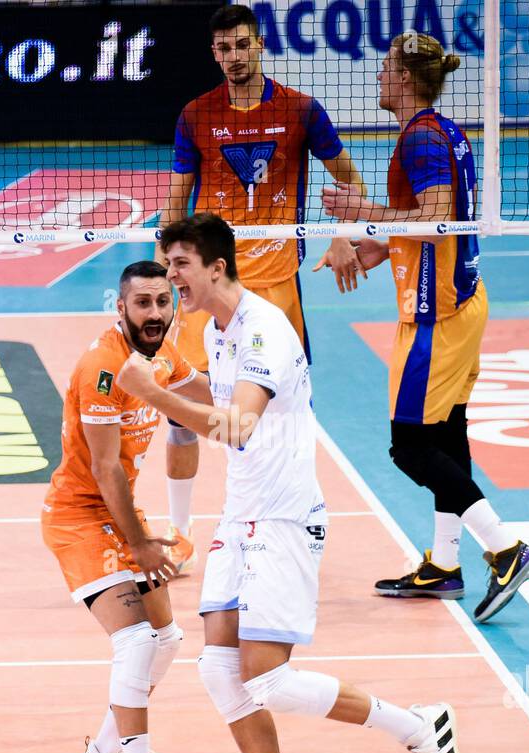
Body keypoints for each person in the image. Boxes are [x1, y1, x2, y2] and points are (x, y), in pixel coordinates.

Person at [118, 213, 459, 753]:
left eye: (180, 266)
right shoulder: (215, 331)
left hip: (284, 520)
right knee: (220, 669)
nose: (171, 278)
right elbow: (213, 390)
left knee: (266, 679)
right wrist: (158, 374)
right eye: (167, 266)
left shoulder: (266, 330)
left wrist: (154, 398)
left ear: (217, 266)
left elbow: (238, 426)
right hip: (241, 517)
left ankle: (417, 725)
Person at [321, 33, 529, 623]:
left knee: (410, 446)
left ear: (405, 78)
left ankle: (504, 548)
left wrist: (357, 215)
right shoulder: (440, 130)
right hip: (461, 301)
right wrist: (369, 250)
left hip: (433, 316)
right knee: (446, 436)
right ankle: (445, 564)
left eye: (385, 69)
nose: (377, 77)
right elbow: (422, 225)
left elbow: (436, 220)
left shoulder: (419, 137)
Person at [154, 3, 368, 576]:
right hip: (207, 285)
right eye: (222, 49)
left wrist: (344, 235)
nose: (232, 58)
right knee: (182, 417)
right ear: (214, 52)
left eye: (241, 46)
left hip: (275, 289)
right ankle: (179, 534)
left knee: (287, 413)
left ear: (259, 45)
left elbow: (348, 176)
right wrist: (164, 274)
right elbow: (177, 200)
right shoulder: (196, 114)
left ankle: (301, 522)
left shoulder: (300, 109)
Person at [41, 260, 207, 753]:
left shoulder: (166, 351)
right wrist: (139, 545)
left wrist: (259, 396)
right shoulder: (102, 366)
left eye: (164, 301)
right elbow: (107, 470)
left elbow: (206, 402)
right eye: (143, 303)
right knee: (136, 640)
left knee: (168, 637)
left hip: (120, 512)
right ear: (121, 307)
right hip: (80, 515)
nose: (156, 312)